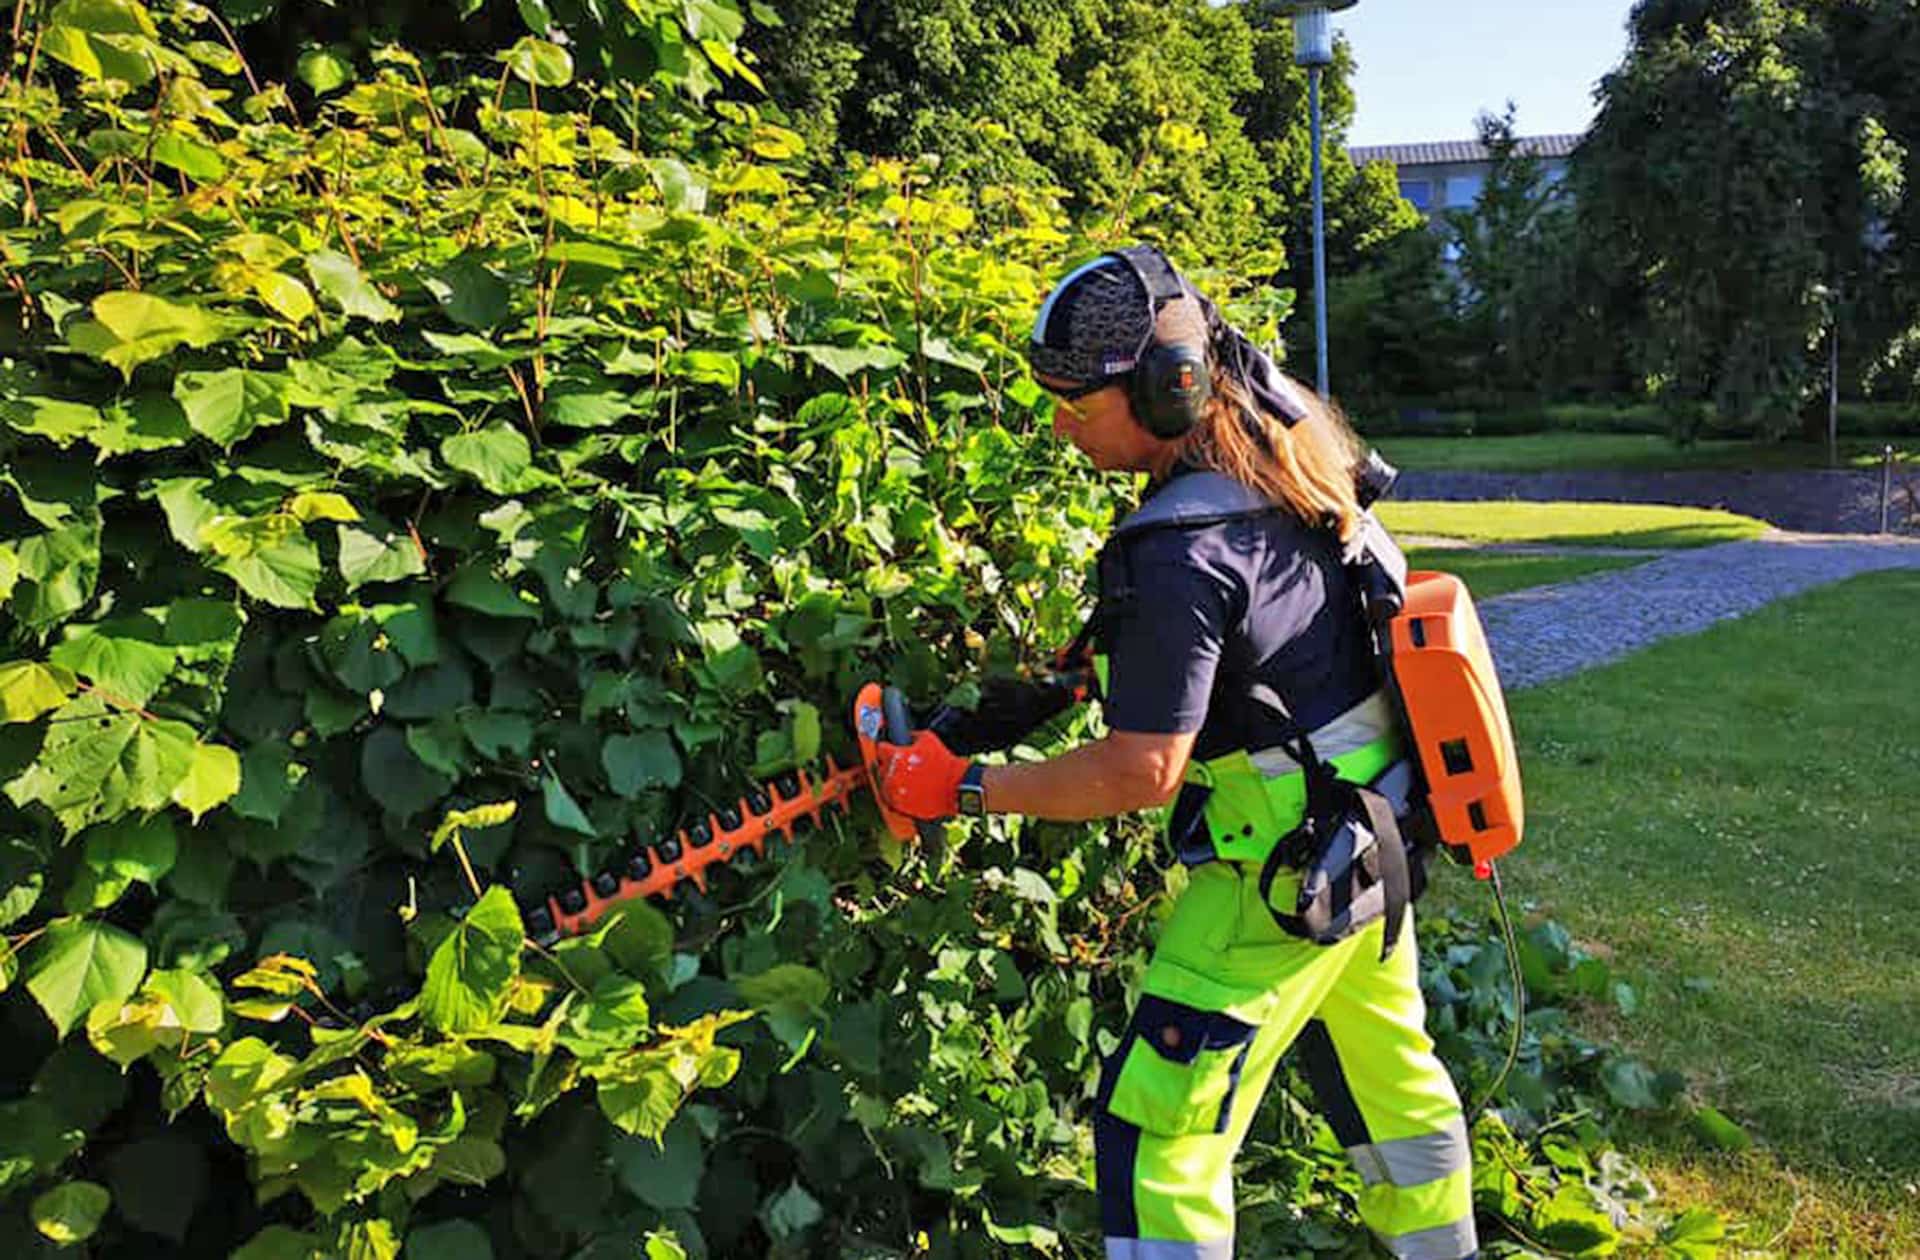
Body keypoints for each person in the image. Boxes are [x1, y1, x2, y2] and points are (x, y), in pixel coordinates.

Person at [873, 246, 1478, 1260]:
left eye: (1078, 401)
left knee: (1159, 1139)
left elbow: (1139, 771)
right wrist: (987, 718)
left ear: (1166, 390)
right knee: (1391, 1089)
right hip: (1376, 845)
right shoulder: (1283, 470)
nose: (1060, 422)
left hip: (1276, 876)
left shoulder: (1180, 549)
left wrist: (966, 789)